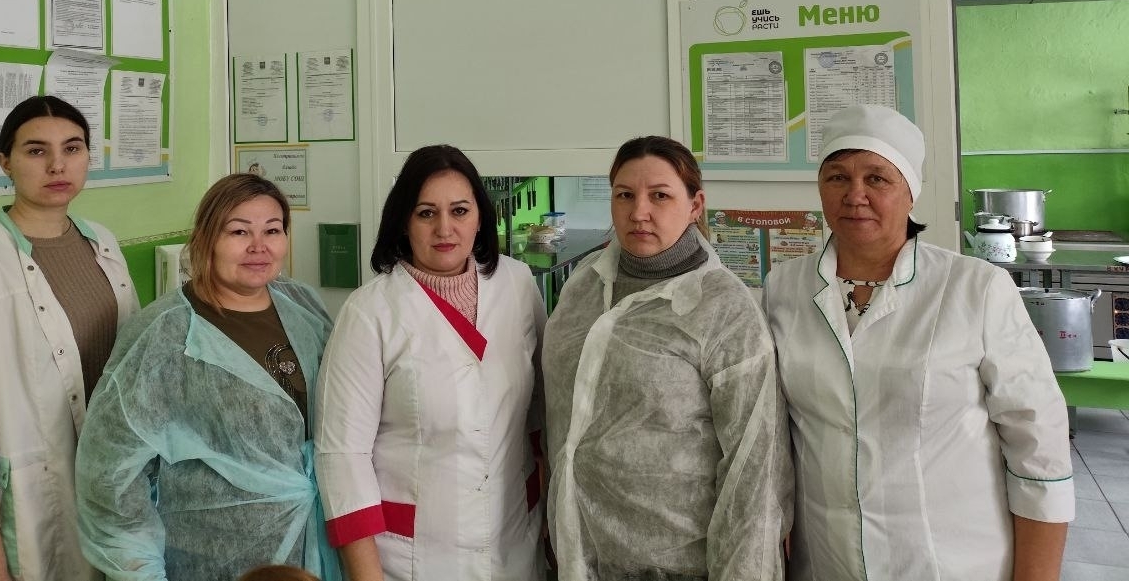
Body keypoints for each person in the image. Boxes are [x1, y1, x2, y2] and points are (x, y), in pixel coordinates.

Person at [762, 105, 1073, 581]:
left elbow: (1039, 447)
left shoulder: (975, 288)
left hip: (951, 563)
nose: (855, 195)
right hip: (825, 560)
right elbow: (776, 431)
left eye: (877, 178)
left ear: (910, 191)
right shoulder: (783, 288)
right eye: (837, 177)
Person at [543, 135, 792, 581]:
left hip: (675, 565)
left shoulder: (725, 310)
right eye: (625, 195)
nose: (639, 212)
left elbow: (755, 474)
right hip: (576, 554)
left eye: (660, 195)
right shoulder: (583, 286)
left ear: (695, 205)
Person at [74, 173, 339, 581]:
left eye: (272, 230)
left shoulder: (303, 305)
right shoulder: (165, 333)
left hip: (313, 546)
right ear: (206, 240)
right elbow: (111, 472)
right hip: (212, 554)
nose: (259, 246)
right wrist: (140, 572)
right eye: (239, 231)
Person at [0, 95, 139, 581]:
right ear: (6, 162)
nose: (58, 165)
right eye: (36, 151)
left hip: (110, 491)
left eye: (72, 148)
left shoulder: (103, 245)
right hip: (25, 512)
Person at [315, 145, 546, 581]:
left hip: (514, 541)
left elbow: (540, 415)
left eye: (459, 211)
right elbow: (342, 456)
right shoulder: (369, 312)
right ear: (404, 221)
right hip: (413, 558)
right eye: (426, 213)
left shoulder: (516, 284)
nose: (445, 228)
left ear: (480, 218)